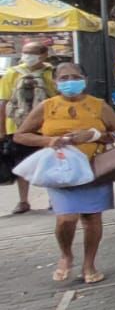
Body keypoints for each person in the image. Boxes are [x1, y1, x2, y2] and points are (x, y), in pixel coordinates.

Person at [11, 61, 115, 283]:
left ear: (84, 80)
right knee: (66, 218)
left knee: (91, 218)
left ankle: (89, 264)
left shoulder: (98, 106)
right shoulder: (47, 106)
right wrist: (49, 140)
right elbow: (21, 135)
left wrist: (93, 135)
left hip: (95, 168)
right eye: (63, 78)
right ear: (55, 82)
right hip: (61, 171)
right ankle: (66, 255)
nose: (69, 81)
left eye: (74, 77)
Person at [2, 40, 56, 215]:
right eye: (25, 52)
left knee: (50, 162)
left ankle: (53, 198)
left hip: (47, 127)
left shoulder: (51, 73)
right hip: (17, 127)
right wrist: (2, 130)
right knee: (20, 165)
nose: (27, 56)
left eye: (32, 52)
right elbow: (3, 102)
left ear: (44, 55)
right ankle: (23, 200)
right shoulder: (11, 73)